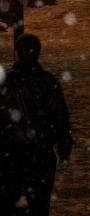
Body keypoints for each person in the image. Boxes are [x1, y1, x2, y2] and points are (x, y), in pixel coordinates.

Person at [0, 34, 74, 215]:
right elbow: (61, 118)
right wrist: (64, 149)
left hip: (11, 154)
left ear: (17, 54)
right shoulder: (49, 82)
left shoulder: (6, 83)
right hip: (41, 154)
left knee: (9, 203)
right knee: (39, 205)